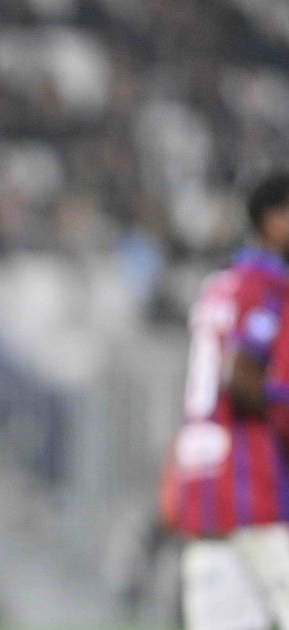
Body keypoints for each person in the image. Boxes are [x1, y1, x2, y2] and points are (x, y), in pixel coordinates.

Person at [160, 172, 289, 629]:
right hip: (256, 484)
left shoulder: (219, 285)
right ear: (274, 220)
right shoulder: (268, 285)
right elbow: (241, 376)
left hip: (203, 484)